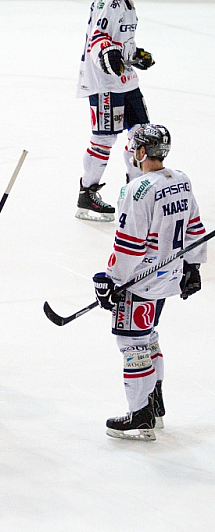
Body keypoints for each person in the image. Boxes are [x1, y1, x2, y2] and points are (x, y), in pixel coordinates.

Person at [92, 124, 207, 441]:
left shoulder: (138, 189)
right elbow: (195, 224)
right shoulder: (180, 179)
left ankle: (140, 413)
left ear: (141, 152)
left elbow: (129, 245)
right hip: (167, 278)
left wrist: (110, 280)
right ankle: (153, 402)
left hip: (139, 282)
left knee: (132, 343)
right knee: (149, 335)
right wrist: (193, 266)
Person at [76, 0, 155, 222]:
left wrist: (134, 55)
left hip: (127, 81)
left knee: (141, 134)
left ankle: (134, 194)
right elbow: (98, 38)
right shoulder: (110, 2)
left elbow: (120, 42)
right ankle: (87, 194)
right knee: (104, 139)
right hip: (105, 83)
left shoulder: (128, 5)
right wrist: (107, 54)